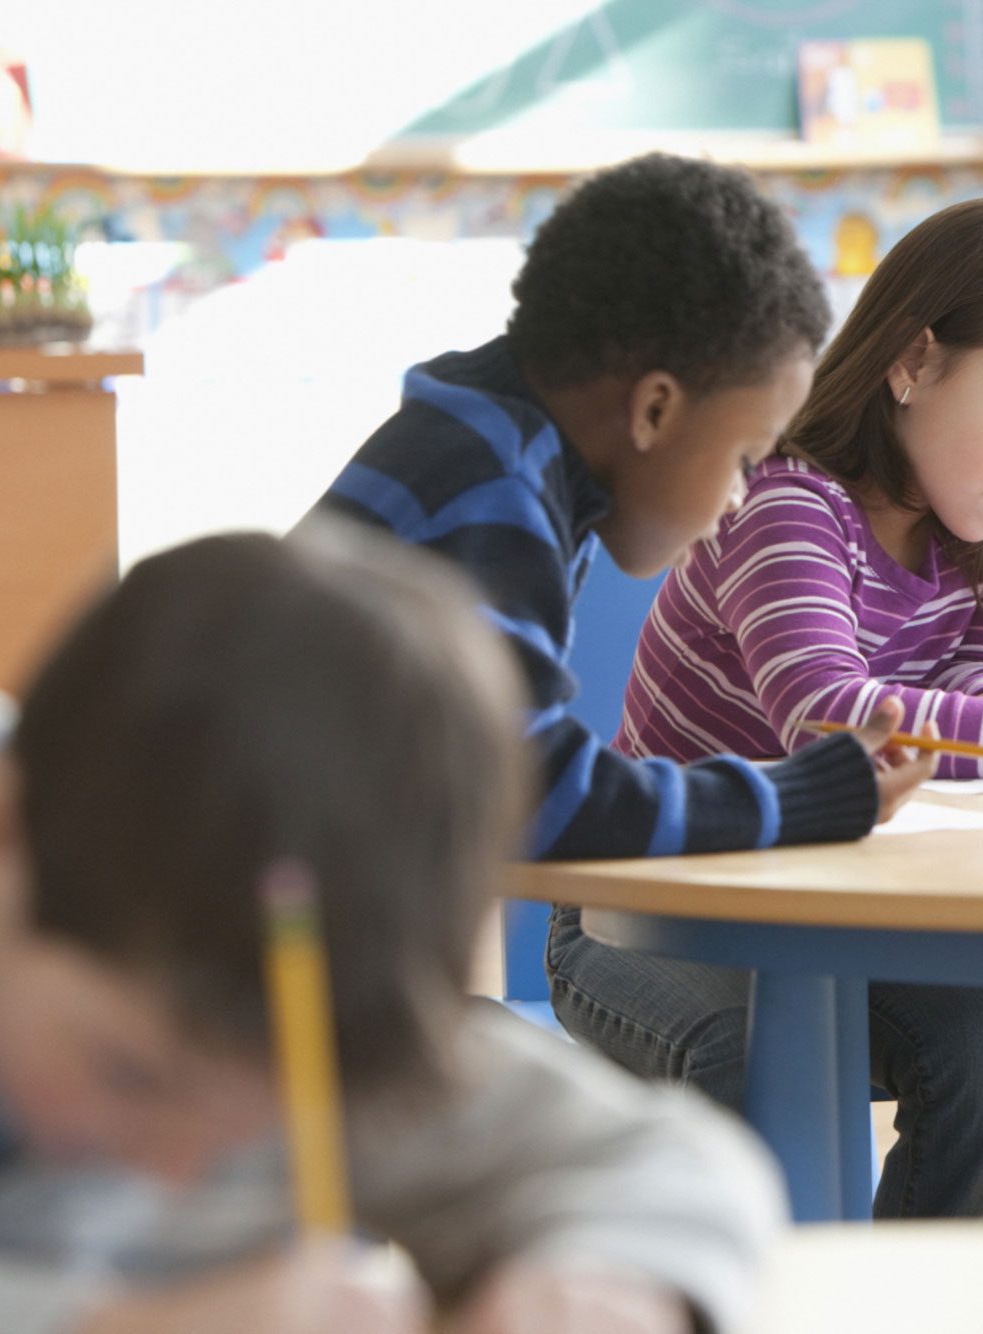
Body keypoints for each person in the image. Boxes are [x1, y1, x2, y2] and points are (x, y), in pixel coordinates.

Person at [0, 527, 783, 1334]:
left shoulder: (286, 1004)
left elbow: (669, 1160)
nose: (179, 1171)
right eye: (129, 1072)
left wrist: (600, 1288)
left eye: (256, 1119)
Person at [601, 196, 983, 1217]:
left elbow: (982, 701)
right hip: (650, 913)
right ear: (912, 362)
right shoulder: (784, 502)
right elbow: (833, 723)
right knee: (749, 1061)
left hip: (832, 915)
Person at [312, 152, 930, 869]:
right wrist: (797, 798)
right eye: (743, 458)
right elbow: (529, 796)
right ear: (655, 409)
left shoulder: (503, 444)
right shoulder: (494, 486)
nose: (739, 495)